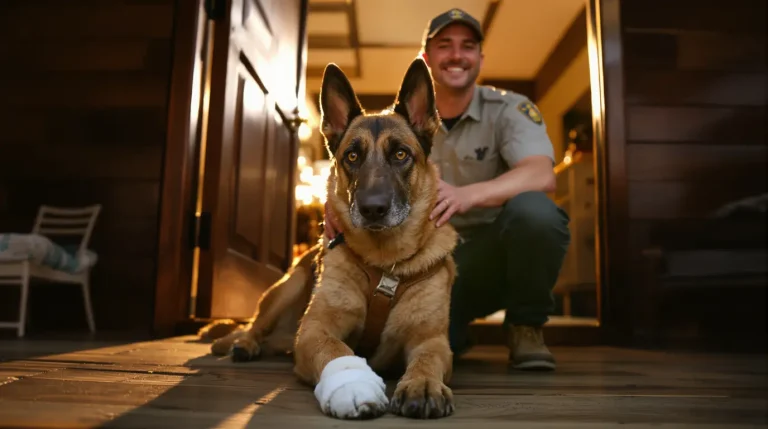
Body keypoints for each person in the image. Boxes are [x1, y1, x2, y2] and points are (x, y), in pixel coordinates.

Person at [323, 8, 571, 371]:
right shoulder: (394, 124)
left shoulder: (508, 109)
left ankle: (525, 326)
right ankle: (457, 329)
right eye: (445, 45)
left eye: (468, 46)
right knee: (426, 349)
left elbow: (540, 174)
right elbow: (352, 162)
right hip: (422, 262)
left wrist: (468, 195)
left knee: (537, 212)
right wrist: (338, 204)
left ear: (480, 59)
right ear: (427, 58)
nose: (457, 54)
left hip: (487, 257)